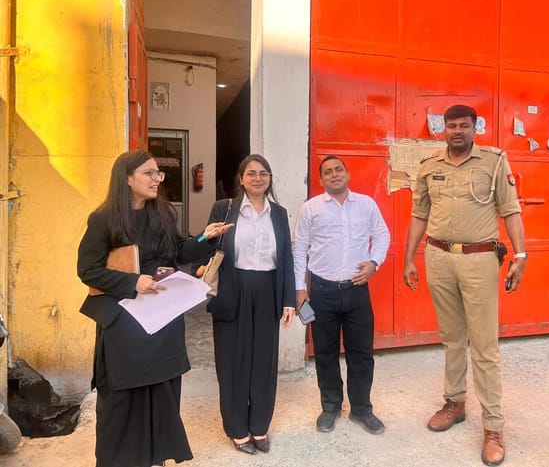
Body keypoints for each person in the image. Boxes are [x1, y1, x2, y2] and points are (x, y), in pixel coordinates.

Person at [77, 150, 230, 467]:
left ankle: (154, 457)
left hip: (162, 318)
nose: (157, 179)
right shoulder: (103, 219)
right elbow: (88, 270)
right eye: (149, 173)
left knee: (163, 392)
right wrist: (133, 281)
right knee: (122, 400)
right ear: (127, 178)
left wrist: (204, 238)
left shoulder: (162, 214)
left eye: (158, 173)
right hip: (124, 322)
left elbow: (177, 252)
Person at [403, 104, 526, 466]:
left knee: (485, 345)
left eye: (464, 125)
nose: (457, 131)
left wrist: (521, 255)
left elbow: (511, 210)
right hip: (438, 258)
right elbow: (419, 214)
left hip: (479, 259)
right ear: (443, 129)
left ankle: (493, 426)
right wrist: (409, 258)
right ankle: (454, 403)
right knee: (451, 338)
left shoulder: (494, 162)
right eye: (451, 125)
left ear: (475, 128)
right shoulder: (429, 166)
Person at [293, 155, 391, 435]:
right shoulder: (311, 209)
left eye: (339, 169)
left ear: (348, 174)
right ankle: (330, 406)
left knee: (361, 353)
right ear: (321, 179)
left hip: (357, 290)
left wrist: (374, 262)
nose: (334, 174)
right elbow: (299, 248)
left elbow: (382, 234)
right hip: (321, 292)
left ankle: (361, 409)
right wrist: (299, 289)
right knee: (325, 353)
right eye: (328, 172)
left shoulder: (366, 205)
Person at [206, 154, 295, 455]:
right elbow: (207, 245)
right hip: (232, 289)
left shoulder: (279, 213)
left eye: (264, 173)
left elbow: (286, 258)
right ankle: (237, 429)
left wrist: (288, 300)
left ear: (270, 179)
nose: (258, 178)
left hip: (268, 289)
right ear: (241, 179)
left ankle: (259, 425)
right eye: (252, 173)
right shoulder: (224, 208)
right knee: (232, 361)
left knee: (264, 362)